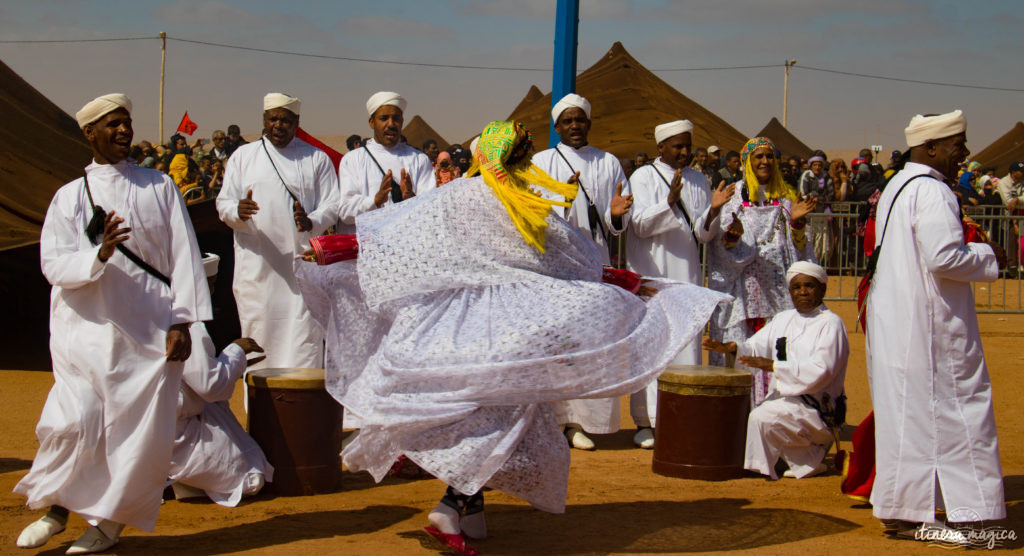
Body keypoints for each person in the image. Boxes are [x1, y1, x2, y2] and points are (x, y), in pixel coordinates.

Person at [294, 120, 728, 555]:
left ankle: (473, 511)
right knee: (502, 421)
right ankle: (450, 508)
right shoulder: (527, 203)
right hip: (516, 330)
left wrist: (327, 249)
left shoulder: (452, 198)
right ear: (521, 159)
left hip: (454, 329)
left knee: (489, 416)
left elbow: (394, 239)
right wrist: (629, 283)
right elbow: (577, 262)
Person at [14, 93, 211, 554]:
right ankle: (58, 509)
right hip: (84, 330)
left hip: (146, 334)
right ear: (90, 133)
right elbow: (53, 265)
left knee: (134, 434)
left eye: (127, 123)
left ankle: (109, 524)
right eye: (113, 124)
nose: (124, 131)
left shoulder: (159, 186)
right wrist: (98, 254)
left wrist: (182, 323)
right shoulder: (68, 197)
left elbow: (184, 255)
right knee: (74, 418)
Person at [866, 110, 1006, 541]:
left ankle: (904, 510)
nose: (963, 153)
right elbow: (944, 256)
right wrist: (988, 257)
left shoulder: (897, 186)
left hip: (899, 322)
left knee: (908, 417)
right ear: (930, 148)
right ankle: (973, 513)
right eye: (956, 145)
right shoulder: (931, 190)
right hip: (929, 325)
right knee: (961, 408)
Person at [531, 93, 634, 451]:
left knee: (593, 340)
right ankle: (557, 420)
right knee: (558, 342)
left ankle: (585, 422)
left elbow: (617, 217)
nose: (574, 126)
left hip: (595, 261)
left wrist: (618, 214)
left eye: (580, 120)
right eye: (567, 121)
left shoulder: (609, 163)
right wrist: (561, 200)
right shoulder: (541, 162)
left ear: (589, 123)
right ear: (557, 127)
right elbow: (534, 215)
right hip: (556, 266)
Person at [626, 119, 734, 448]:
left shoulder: (700, 179)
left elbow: (701, 233)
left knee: (685, 342)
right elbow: (641, 226)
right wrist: (669, 202)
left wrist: (714, 212)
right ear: (661, 148)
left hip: (686, 274)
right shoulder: (642, 177)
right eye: (678, 146)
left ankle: (683, 417)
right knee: (652, 346)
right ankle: (646, 422)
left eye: (688, 145)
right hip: (652, 275)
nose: (685, 151)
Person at [215, 93, 340, 370]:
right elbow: (223, 203)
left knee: (303, 343)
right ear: (264, 120)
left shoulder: (315, 158)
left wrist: (312, 220)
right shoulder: (243, 157)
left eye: (285, 120)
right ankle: (262, 413)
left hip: (301, 270)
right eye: (273, 119)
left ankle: (303, 412)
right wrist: (239, 210)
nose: (278, 125)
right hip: (258, 272)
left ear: (297, 122)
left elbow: (333, 203)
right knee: (259, 346)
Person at [704, 261, 847, 479]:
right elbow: (754, 346)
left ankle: (758, 469)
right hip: (785, 402)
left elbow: (823, 370)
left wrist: (774, 366)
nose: (802, 292)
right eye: (796, 288)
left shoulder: (831, 324)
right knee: (751, 416)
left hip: (817, 409)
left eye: (809, 286)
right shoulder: (784, 319)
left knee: (761, 417)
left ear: (823, 289)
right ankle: (807, 460)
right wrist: (733, 348)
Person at [707, 137, 816, 407]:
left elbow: (801, 250)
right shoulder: (734, 198)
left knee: (776, 350)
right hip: (743, 291)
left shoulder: (787, 200)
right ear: (747, 162)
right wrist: (732, 239)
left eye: (770, 156)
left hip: (778, 294)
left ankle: (775, 412)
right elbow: (721, 248)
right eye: (759, 157)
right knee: (743, 349)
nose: (765, 161)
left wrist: (798, 226)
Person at [337, 92, 435, 233]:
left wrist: (412, 199)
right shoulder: (352, 160)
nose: (391, 124)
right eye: (384, 118)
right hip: (367, 248)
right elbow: (345, 212)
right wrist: (375, 201)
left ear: (402, 122)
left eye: (396, 119)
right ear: (372, 122)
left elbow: (431, 210)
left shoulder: (419, 159)